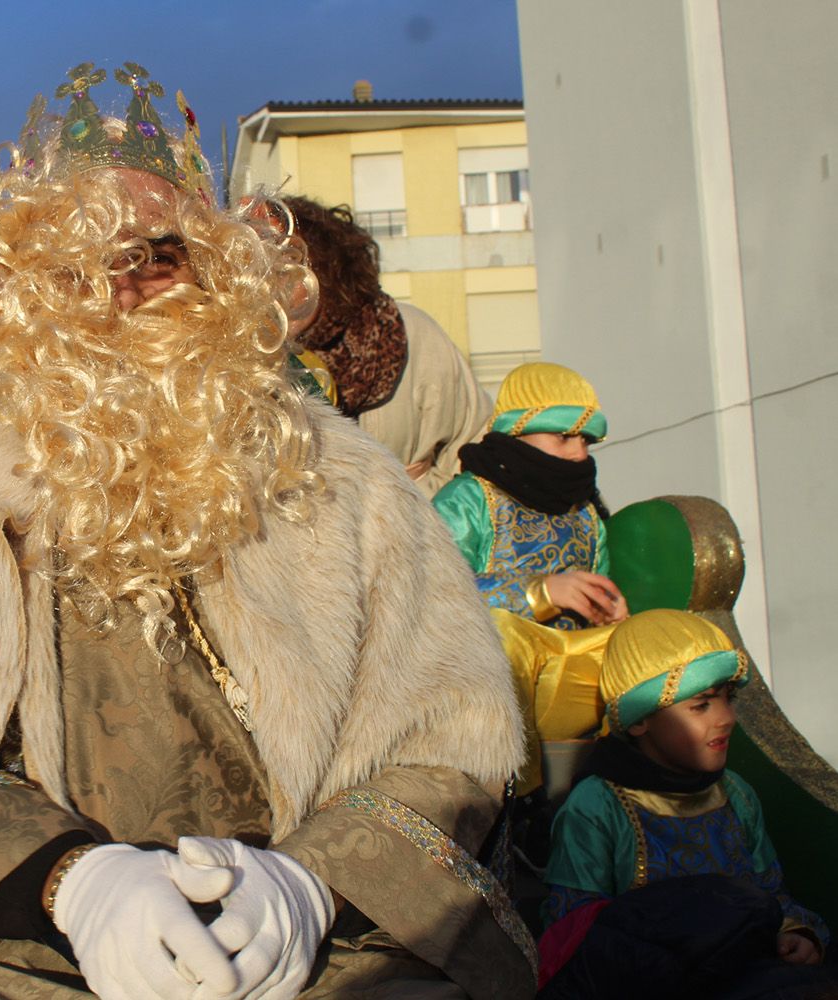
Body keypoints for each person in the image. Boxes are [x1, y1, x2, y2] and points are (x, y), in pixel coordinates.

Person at [0, 61, 534, 1000]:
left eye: (155, 257)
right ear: (27, 294)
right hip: (29, 958)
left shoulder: (348, 482)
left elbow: (447, 745)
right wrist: (75, 885)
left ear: (216, 272)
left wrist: (311, 885)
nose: (120, 296)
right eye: (78, 267)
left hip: (323, 953)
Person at [537, 609, 832, 996]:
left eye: (729, 699)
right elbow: (571, 930)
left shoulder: (736, 794)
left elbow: (772, 894)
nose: (726, 718)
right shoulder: (597, 806)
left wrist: (797, 933)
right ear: (640, 720)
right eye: (702, 705)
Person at [284, 196, 492, 496]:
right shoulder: (248, 354)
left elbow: (473, 439)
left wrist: (420, 498)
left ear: (328, 269)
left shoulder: (403, 331)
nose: (271, 284)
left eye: (289, 264)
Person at [433, 361, 627, 629]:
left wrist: (607, 612)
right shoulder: (467, 500)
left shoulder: (585, 514)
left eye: (586, 441)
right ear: (516, 433)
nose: (579, 454)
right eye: (564, 436)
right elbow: (432, 593)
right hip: (488, 667)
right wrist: (538, 593)